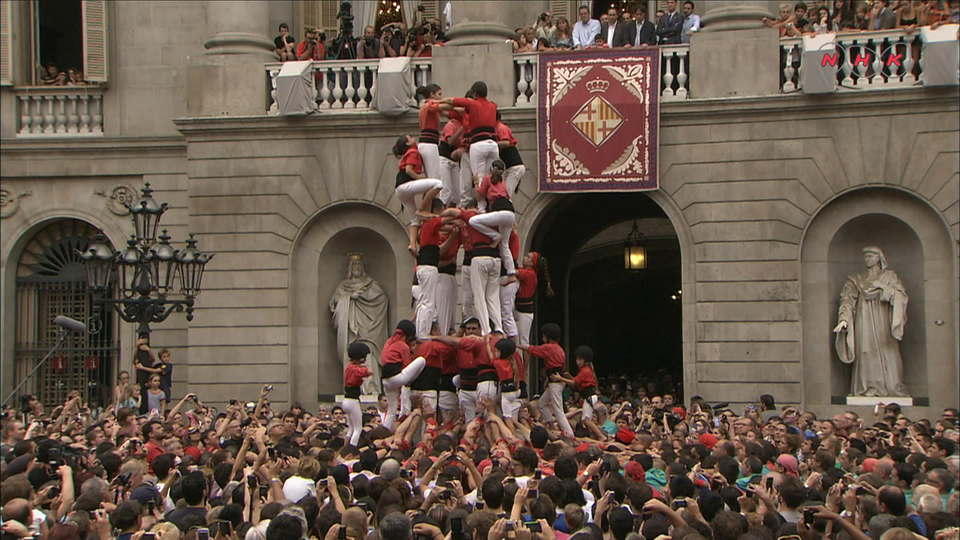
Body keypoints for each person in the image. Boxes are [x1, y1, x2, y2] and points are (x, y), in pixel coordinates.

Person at [834, 246, 909, 397]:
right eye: (865, 256)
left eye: (870, 256)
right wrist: (844, 319)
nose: (867, 259)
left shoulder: (889, 276)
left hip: (883, 319)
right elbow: (847, 300)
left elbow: (900, 296)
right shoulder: (856, 278)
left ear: (878, 258)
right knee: (866, 351)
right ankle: (868, 387)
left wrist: (882, 287)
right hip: (864, 319)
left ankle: (891, 387)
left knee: (887, 350)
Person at [393, 134, 444, 257]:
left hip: (400, 190)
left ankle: (412, 244)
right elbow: (408, 170)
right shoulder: (413, 152)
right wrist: (419, 178)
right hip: (405, 186)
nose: (412, 138)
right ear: (407, 143)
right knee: (438, 184)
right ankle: (422, 209)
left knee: (414, 221)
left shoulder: (409, 153)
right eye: (409, 138)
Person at [519, 323, 574, 437]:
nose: (542, 339)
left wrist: (517, 345)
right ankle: (551, 424)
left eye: (544, 336)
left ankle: (570, 435)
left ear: (548, 336)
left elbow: (533, 349)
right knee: (542, 403)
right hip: (556, 381)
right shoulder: (560, 349)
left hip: (555, 382)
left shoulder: (550, 347)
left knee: (558, 411)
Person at [442, 81, 499, 188]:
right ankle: (484, 201)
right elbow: (448, 111)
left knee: (479, 177)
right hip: (483, 145)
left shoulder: (472, 105)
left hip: (476, 146)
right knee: (477, 179)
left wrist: (436, 101)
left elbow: (451, 102)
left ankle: (482, 204)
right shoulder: (491, 106)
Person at [380, 320, 426, 429]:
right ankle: (412, 381)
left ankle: (383, 433)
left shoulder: (388, 342)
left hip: (385, 381)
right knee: (421, 360)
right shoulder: (403, 346)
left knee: (391, 410)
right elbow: (406, 365)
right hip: (397, 379)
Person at [416, 84, 452, 181]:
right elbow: (445, 106)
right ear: (432, 94)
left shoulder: (426, 107)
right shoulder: (429, 105)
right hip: (429, 144)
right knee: (434, 179)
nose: (440, 97)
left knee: (431, 178)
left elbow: (446, 111)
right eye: (439, 94)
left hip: (426, 143)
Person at [343, 342, 373, 446]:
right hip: (352, 401)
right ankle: (352, 449)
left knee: (351, 429)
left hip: (346, 400)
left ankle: (345, 446)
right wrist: (365, 365)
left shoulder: (349, 367)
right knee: (358, 429)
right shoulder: (355, 369)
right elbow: (369, 372)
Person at [495, 113, 525, 197]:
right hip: (509, 167)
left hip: (514, 167)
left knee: (505, 194)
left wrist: (492, 144)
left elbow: (506, 142)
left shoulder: (501, 128)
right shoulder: (496, 129)